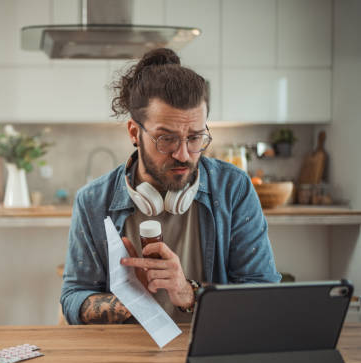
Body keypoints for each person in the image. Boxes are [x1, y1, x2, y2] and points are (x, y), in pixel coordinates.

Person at [60, 48, 281, 325]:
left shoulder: (233, 189)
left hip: (211, 350)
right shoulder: (93, 201)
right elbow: (73, 298)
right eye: (166, 139)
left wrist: (186, 292)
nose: (184, 154)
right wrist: (129, 300)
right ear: (134, 133)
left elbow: (264, 293)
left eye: (195, 137)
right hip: (129, 356)